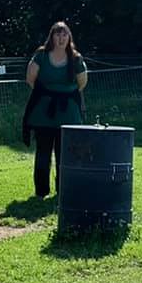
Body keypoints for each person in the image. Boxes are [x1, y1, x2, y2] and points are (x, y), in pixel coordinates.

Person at [23, 21, 88, 198]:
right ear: (51, 37)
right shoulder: (41, 55)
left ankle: (63, 190)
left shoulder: (75, 58)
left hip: (68, 113)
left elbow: (82, 83)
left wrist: (64, 93)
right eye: (58, 34)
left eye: (64, 34)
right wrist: (48, 92)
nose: (61, 38)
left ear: (69, 37)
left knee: (65, 154)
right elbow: (30, 79)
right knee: (43, 153)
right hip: (43, 112)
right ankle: (41, 191)